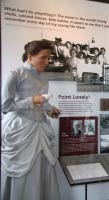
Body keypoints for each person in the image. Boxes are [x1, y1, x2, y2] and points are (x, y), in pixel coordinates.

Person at [1, 39, 61, 200]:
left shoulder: (43, 78)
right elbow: (5, 107)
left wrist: (50, 110)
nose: (47, 62)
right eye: (43, 57)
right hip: (21, 130)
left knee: (42, 169)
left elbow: (42, 102)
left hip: (40, 127)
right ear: (30, 56)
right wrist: (31, 101)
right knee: (25, 173)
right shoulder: (15, 74)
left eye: (49, 58)